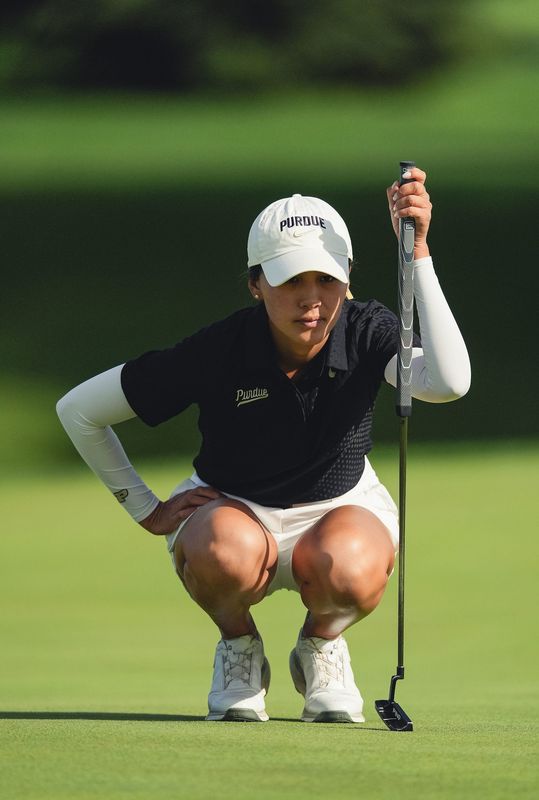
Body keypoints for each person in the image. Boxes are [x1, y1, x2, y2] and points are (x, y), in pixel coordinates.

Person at [57, 167, 471, 723]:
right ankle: (240, 648)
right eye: (289, 280)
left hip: (339, 512)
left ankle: (321, 646)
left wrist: (417, 251)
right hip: (233, 512)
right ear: (255, 284)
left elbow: (449, 382)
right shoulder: (219, 348)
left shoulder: (368, 330)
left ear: (348, 278)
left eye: (326, 280)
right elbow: (79, 411)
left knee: (350, 568)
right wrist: (143, 507)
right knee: (221, 553)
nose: (312, 300)